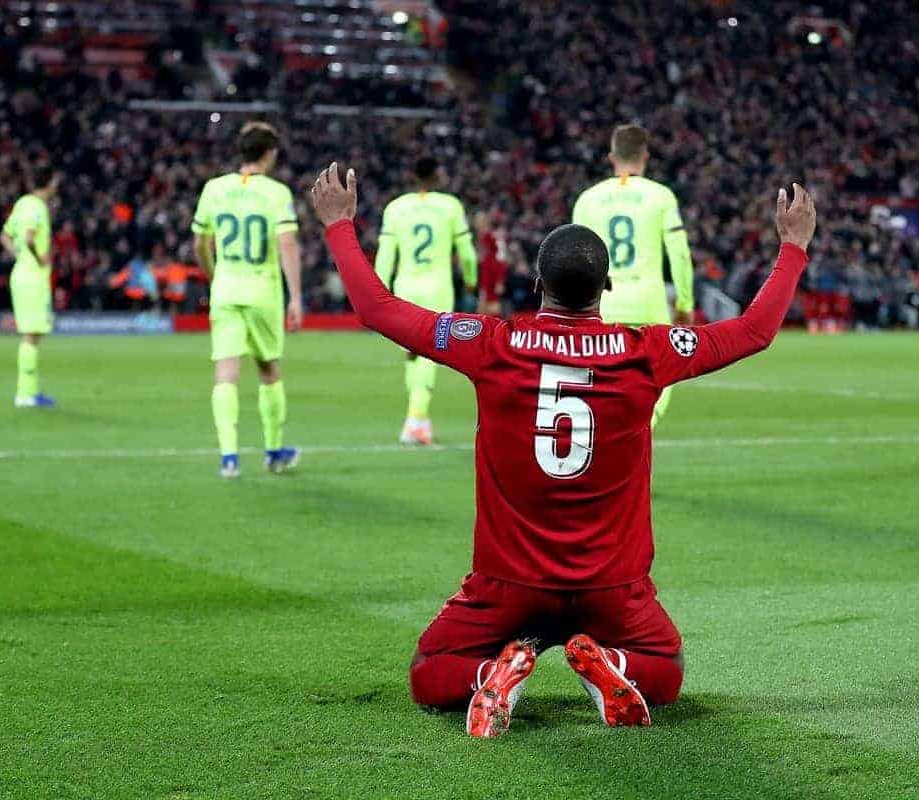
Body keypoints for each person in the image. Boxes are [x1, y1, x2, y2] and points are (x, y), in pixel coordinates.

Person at [310, 162, 815, 738]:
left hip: (508, 586)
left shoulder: (490, 343)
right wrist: (793, 247)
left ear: (536, 285)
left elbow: (377, 309)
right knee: (665, 671)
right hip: (611, 589)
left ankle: (488, 674)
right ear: (607, 289)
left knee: (432, 671)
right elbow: (754, 331)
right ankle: (615, 666)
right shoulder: (646, 350)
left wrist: (339, 226)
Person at [192, 121, 303, 478]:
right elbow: (287, 243)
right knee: (268, 369)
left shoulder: (214, 189)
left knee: (225, 371)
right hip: (262, 292)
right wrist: (296, 296)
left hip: (225, 289)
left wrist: (214, 275)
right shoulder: (276, 193)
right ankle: (273, 451)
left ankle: (229, 457)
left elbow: (199, 244)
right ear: (269, 155)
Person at [572, 124, 695, 429]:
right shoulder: (661, 196)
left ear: (611, 156)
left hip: (602, 305)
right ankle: (639, 431)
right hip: (648, 304)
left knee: (599, 387)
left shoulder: (588, 199)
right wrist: (685, 301)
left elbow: (573, 258)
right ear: (646, 155)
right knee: (662, 374)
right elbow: (679, 253)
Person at [374, 157, 478, 445]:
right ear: (437, 176)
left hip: (404, 286)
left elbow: (385, 256)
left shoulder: (396, 208)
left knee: (411, 353)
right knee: (432, 351)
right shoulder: (450, 206)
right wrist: (470, 280)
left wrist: (378, 291)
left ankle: (417, 418)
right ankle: (416, 420)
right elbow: (467, 253)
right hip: (437, 287)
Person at [0, 165, 59, 408]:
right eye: (55, 182)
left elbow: (4, 236)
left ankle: (28, 392)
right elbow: (29, 238)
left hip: (20, 274)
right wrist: (36, 258)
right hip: (33, 277)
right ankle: (26, 394)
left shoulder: (22, 203)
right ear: (48, 183)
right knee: (32, 335)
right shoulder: (37, 207)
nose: (57, 187)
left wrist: (20, 256)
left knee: (32, 334)